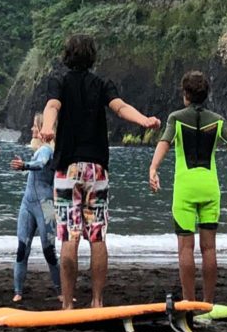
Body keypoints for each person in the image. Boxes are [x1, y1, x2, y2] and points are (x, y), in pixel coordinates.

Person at [40, 34, 161, 309]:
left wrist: (48, 127)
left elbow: (52, 106)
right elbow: (120, 107)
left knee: (69, 235)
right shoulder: (101, 83)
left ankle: (68, 305)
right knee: (97, 235)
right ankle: (97, 301)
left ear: (67, 56)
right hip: (96, 169)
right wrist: (144, 120)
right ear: (92, 57)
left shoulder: (58, 81)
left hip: (68, 168)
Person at [148, 70, 227, 303]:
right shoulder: (217, 120)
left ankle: (189, 302)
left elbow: (164, 143)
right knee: (209, 249)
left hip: (186, 189)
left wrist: (153, 168)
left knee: (185, 249)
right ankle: (208, 303)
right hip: (210, 188)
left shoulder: (175, 118)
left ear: (185, 94)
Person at [9, 111, 59, 301]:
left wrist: (24, 166)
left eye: (34, 126)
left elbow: (40, 164)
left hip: (45, 205)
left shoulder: (47, 150)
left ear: (43, 129)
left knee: (48, 250)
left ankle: (60, 291)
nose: (31, 129)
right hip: (28, 204)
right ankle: (18, 292)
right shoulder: (40, 149)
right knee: (23, 248)